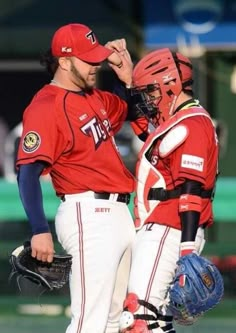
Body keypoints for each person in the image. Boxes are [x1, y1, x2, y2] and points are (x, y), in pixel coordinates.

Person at [16, 23, 138, 333]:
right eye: (87, 59)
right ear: (65, 61)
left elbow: (131, 110)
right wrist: (39, 229)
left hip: (119, 213)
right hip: (88, 214)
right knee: (89, 323)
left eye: (96, 57)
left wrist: (128, 80)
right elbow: (28, 171)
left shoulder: (94, 97)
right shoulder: (46, 106)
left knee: (114, 322)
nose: (96, 65)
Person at [119, 48, 219, 333]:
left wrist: (187, 250)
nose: (147, 99)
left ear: (170, 85)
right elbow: (144, 129)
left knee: (140, 319)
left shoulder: (194, 124)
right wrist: (128, 83)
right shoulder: (179, 120)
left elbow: (191, 190)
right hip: (166, 228)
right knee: (156, 321)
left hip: (171, 229)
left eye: (150, 91)